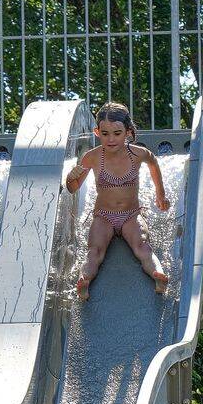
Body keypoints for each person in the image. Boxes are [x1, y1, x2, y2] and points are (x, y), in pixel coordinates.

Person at [65, 102, 171, 301]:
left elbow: (154, 163)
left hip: (131, 215)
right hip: (103, 216)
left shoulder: (139, 154)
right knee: (94, 251)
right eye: (105, 134)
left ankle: (158, 275)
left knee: (142, 246)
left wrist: (161, 194)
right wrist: (70, 178)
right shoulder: (92, 157)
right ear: (97, 132)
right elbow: (73, 188)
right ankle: (84, 280)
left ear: (128, 132)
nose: (111, 139)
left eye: (117, 133)